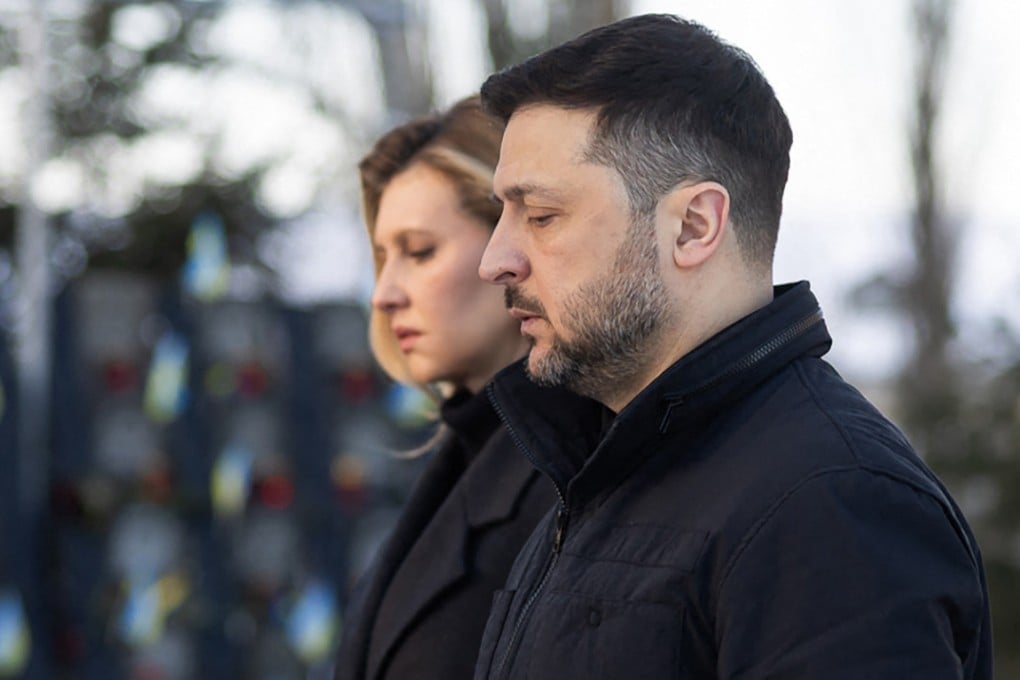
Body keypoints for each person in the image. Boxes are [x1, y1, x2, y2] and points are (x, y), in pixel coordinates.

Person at [473, 14, 992, 679]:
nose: (496, 260)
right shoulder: (602, 472)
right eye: (501, 215)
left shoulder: (831, 504)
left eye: (540, 215)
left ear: (693, 226)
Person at [333, 96, 556, 680]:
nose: (384, 294)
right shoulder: (463, 458)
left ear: (511, 249)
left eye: (420, 252)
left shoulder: (569, 480)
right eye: (382, 258)